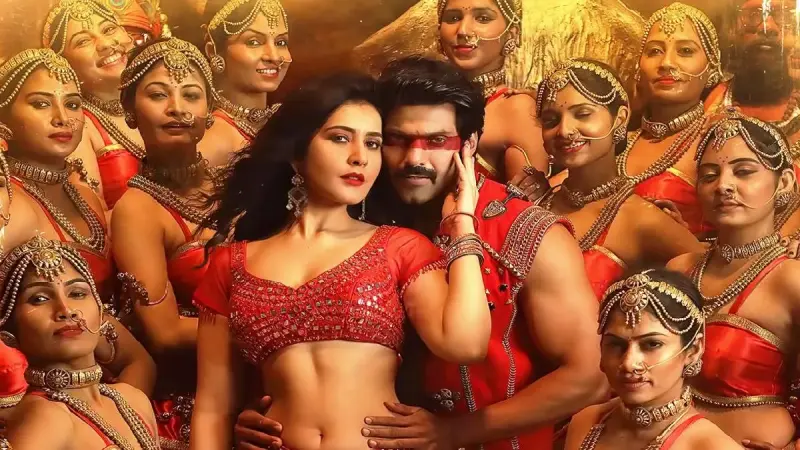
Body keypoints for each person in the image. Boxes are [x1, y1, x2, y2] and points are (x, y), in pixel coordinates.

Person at [232, 56, 605, 450]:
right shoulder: (351, 212)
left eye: (436, 141)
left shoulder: (525, 231)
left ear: (470, 144)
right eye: (397, 140)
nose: (415, 159)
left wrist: (453, 432)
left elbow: (589, 375)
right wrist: (265, 411)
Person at [190, 71, 491, 450]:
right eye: (340, 138)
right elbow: (213, 409)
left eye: (373, 143)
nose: (359, 157)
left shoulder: (398, 247)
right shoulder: (231, 264)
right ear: (298, 153)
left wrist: (462, 222)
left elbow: (465, 344)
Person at [0, 47, 155, 396]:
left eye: (72, 104)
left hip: (112, 380)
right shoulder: (9, 206)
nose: (62, 118)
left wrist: (120, 409)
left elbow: (133, 356)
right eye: (41, 104)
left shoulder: (84, 195)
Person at [668, 110, 799, 447]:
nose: (723, 186)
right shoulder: (680, 270)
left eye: (743, 172)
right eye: (709, 175)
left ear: (784, 182)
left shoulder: (791, 280)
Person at [111, 36, 217, 449]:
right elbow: (166, 333)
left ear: (210, 111)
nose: (177, 108)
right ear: (129, 111)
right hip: (195, 399)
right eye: (158, 95)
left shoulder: (237, 186)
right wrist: (270, 324)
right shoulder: (136, 210)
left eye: (191, 95)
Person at [535, 58, 701, 298]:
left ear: (620, 119)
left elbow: (710, 284)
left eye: (583, 114)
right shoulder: (537, 202)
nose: (564, 130)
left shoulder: (640, 218)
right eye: (551, 121)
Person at [1, 236, 159, 449]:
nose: (67, 310)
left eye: (77, 293)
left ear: (101, 313)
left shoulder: (133, 401)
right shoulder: (46, 417)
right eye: (39, 298)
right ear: (9, 332)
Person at [565, 269, 741, 450]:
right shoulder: (585, 423)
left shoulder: (711, 447)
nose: (629, 363)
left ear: (693, 350)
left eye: (651, 344)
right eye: (616, 345)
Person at [42, 0, 164, 207]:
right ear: (65, 64)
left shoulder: (166, 98)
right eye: (83, 41)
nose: (106, 44)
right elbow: (91, 218)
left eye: (109, 29)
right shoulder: (77, 127)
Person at [618, 3, 723, 237]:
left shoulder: (719, 139)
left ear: (711, 67)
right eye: (654, 51)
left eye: (685, 51)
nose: (666, 63)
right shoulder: (617, 142)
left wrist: (684, 239)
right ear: (638, 68)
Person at [435, 0, 548, 182]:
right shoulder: (422, 100)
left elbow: (530, 200)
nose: (463, 30)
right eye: (453, 18)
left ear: (511, 33)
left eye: (483, 18)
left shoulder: (517, 110)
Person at [199, 0, 291, 167]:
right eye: (254, 42)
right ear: (213, 51)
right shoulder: (209, 144)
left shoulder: (289, 123)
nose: (274, 57)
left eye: (280, 42)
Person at [705, 0, 800, 148]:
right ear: (732, 29)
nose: (767, 27)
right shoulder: (708, 105)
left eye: (782, 16)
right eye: (753, 15)